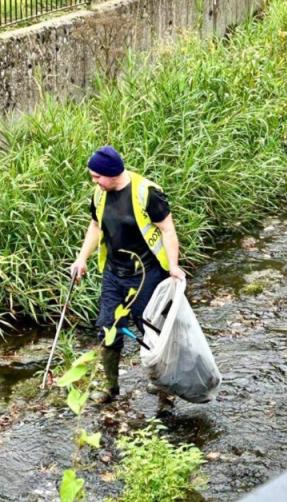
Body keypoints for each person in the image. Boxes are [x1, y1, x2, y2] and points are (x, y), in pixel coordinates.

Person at [70, 145, 185, 409]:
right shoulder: (99, 194)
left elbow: (167, 230)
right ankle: (111, 388)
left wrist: (174, 267)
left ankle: (164, 390)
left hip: (146, 274)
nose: (94, 182)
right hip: (113, 273)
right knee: (107, 330)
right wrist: (81, 258)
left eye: (97, 176)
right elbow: (96, 225)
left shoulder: (146, 193)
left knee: (152, 333)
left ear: (112, 173)